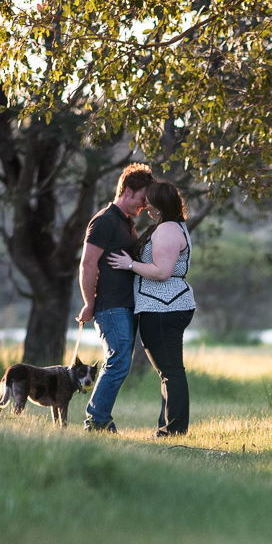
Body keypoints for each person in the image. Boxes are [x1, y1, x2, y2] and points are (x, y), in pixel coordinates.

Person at [106, 179, 195, 437]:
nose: (145, 205)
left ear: (159, 204)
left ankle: (174, 430)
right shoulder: (168, 226)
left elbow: (162, 272)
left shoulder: (167, 230)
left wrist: (129, 265)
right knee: (168, 371)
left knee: (171, 371)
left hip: (163, 308)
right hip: (161, 307)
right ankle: (167, 428)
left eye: (149, 201)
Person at [76, 163, 154, 433]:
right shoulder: (104, 220)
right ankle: (96, 420)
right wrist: (89, 302)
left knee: (120, 362)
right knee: (117, 361)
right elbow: (87, 264)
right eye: (142, 199)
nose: (144, 205)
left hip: (126, 304)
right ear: (128, 190)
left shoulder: (126, 223)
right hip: (110, 306)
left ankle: (99, 419)